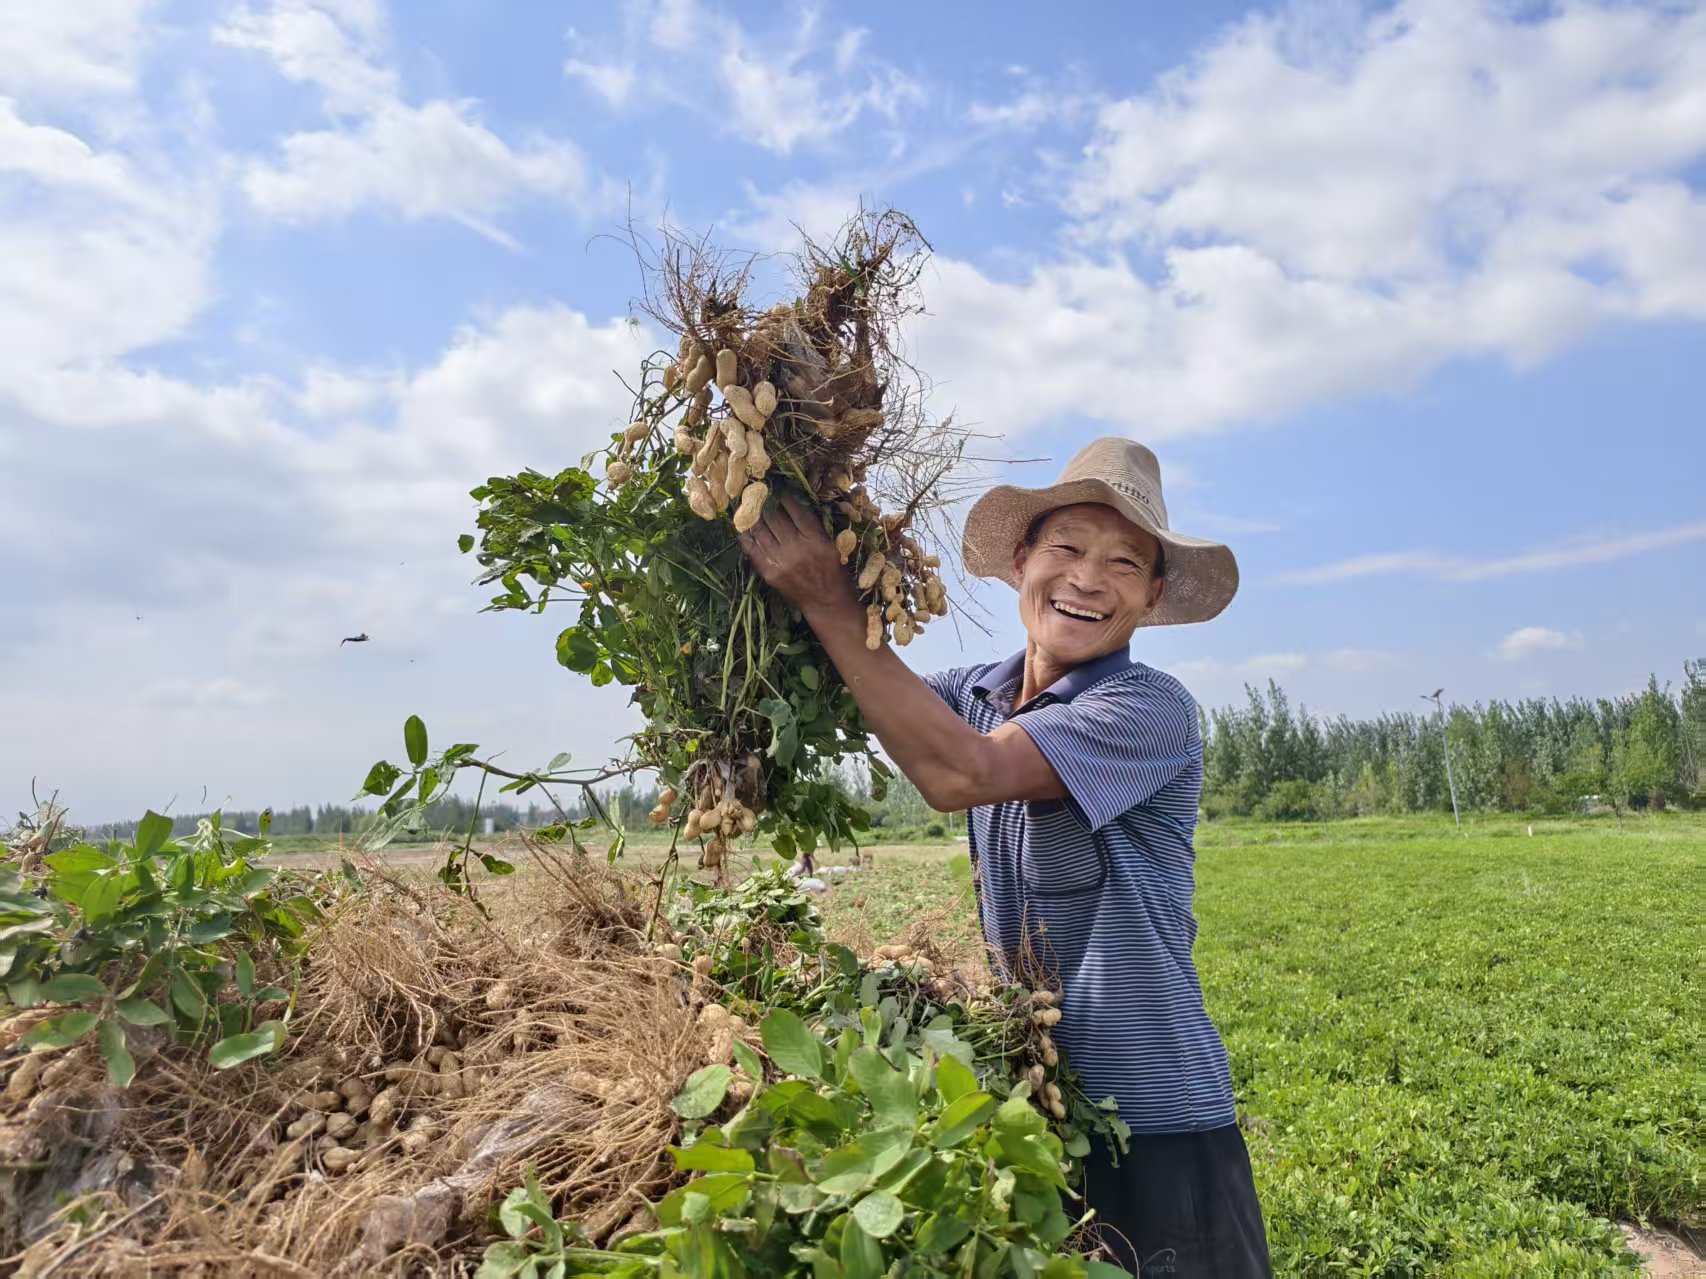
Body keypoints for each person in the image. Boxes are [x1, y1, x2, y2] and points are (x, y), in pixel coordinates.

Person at [740, 437, 1271, 1276]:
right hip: (1041, 1112)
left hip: (1160, 1126)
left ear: (1153, 595)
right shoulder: (972, 694)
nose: (1087, 579)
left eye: (1124, 563)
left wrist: (830, 600)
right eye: (1067, 547)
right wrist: (777, 577)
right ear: (1022, 560)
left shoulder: (1147, 707)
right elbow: (867, 691)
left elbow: (962, 772)